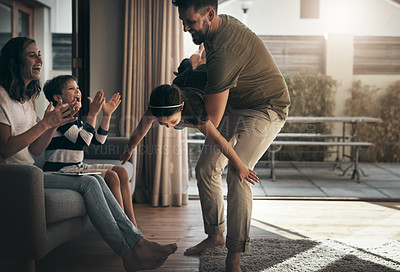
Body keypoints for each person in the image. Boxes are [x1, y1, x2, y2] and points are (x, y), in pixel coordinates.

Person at [0, 37, 176, 271]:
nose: (40, 59)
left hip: (31, 171)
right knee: (91, 183)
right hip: (17, 178)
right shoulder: (2, 97)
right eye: (32, 55)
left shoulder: (27, 99)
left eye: (39, 53)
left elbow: (35, 150)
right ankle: (130, 251)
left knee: (95, 179)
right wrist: (48, 124)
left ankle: (137, 244)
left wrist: (52, 123)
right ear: (14, 60)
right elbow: (6, 149)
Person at [172, 0, 291, 271]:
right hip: (235, 103)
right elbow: (208, 75)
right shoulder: (216, 28)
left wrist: (177, 119)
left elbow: (210, 121)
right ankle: (215, 235)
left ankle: (234, 255)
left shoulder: (225, 49)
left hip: (266, 107)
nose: (185, 28)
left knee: (239, 174)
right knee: (205, 168)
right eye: (183, 21)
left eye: (190, 22)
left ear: (209, 14)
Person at [120, 66, 258, 186]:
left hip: (199, 81)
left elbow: (218, 139)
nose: (168, 127)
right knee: (186, 66)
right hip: (183, 81)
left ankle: (201, 54)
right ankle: (197, 57)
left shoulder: (196, 113)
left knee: (197, 65)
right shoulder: (155, 108)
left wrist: (240, 166)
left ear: (182, 107)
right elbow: (140, 131)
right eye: (162, 123)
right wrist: (129, 149)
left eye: (172, 122)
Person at [42, 75, 137, 227]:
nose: (77, 91)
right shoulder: (58, 117)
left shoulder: (74, 118)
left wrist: (106, 115)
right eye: (71, 88)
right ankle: (123, 226)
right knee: (112, 177)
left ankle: (132, 224)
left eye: (77, 88)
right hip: (60, 170)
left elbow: (98, 141)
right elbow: (83, 140)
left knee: (122, 172)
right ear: (57, 97)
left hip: (76, 167)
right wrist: (92, 114)